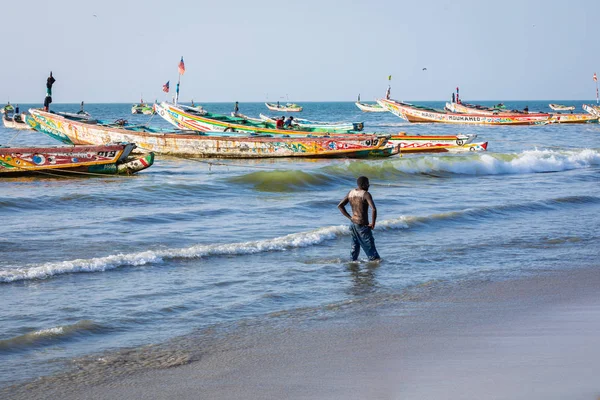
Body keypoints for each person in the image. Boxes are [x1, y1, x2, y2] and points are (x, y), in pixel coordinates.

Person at [338, 176, 380, 261]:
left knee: (354, 247)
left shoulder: (351, 193)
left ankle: (352, 265)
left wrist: (350, 218)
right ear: (364, 184)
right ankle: (373, 266)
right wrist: (373, 224)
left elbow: (340, 206)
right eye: (368, 183)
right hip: (362, 225)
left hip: (353, 224)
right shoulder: (365, 194)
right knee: (371, 251)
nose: (369, 185)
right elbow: (374, 209)